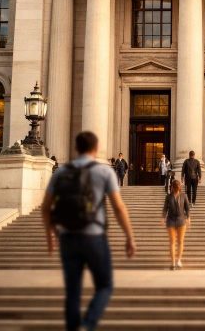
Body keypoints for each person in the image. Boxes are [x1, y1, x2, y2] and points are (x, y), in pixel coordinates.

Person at [42, 131, 137, 331]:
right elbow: (119, 208)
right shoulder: (104, 172)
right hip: (94, 236)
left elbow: (45, 207)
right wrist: (129, 237)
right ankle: (88, 324)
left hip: (67, 237)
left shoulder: (60, 172)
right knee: (105, 285)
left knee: (72, 292)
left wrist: (50, 236)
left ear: (76, 148)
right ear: (95, 149)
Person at [161, 179, 191, 270]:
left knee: (180, 241)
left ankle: (179, 260)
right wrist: (163, 218)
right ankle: (173, 262)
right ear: (173, 187)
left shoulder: (184, 196)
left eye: (178, 187)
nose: (177, 189)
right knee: (172, 241)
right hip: (171, 220)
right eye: (176, 187)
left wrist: (188, 218)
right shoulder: (168, 197)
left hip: (181, 220)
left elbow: (187, 208)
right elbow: (165, 208)